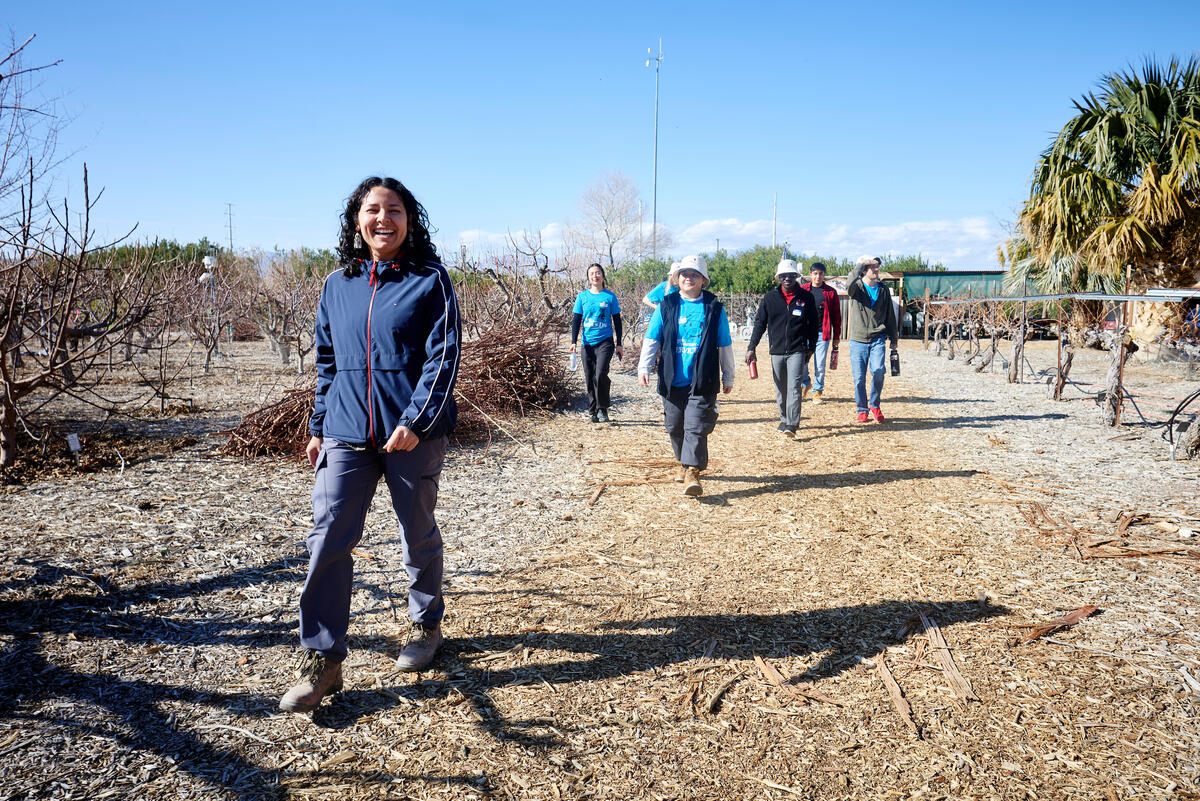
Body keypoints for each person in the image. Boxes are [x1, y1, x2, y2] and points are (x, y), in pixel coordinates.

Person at [280, 177, 461, 714]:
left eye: (395, 210)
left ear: (411, 220)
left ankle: (426, 625)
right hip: (345, 431)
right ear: (356, 220)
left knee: (416, 530)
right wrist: (317, 425)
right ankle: (322, 660)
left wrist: (416, 420)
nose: (384, 219)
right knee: (328, 537)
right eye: (373, 210)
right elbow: (329, 363)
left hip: (412, 435)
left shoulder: (431, 280)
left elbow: (444, 357)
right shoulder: (338, 283)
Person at [638, 254, 735, 497]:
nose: (688, 278)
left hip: (702, 379)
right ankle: (683, 461)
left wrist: (729, 375)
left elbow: (724, 343)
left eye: (694, 274)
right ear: (678, 278)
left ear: (703, 279)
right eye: (684, 274)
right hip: (673, 378)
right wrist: (643, 366)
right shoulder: (667, 305)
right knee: (674, 426)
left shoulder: (714, 308)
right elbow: (652, 338)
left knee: (696, 426)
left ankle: (693, 471)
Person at [746, 259, 818, 438]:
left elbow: (813, 324)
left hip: (797, 350)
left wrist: (811, 346)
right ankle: (784, 418)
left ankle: (792, 424)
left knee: (794, 386)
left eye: (791, 275)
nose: (788, 278)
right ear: (779, 278)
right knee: (780, 387)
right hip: (776, 350)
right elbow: (759, 324)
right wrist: (751, 347)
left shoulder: (806, 297)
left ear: (796, 277)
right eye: (784, 275)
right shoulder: (770, 298)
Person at [846, 255, 898, 423]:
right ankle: (862, 409)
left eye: (877, 267)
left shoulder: (883, 290)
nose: (876, 270)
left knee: (878, 371)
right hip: (858, 340)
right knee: (859, 378)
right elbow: (848, 285)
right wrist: (859, 262)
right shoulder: (857, 288)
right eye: (872, 267)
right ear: (864, 270)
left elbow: (890, 314)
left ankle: (874, 404)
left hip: (878, 338)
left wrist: (894, 338)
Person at [570, 263, 624, 423]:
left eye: (598, 272)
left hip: (605, 341)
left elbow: (617, 320)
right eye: (592, 273)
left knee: (600, 373)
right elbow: (576, 320)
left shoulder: (610, 296)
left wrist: (619, 343)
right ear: (588, 277)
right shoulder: (582, 297)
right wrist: (573, 341)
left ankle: (603, 409)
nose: (595, 275)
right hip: (587, 343)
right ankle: (592, 409)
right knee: (589, 376)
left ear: (603, 275)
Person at [799, 262, 842, 404]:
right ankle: (805, 383)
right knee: (802, 361)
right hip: (804, 333)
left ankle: (817, 391)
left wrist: (836, 337)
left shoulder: (830, 292)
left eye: (821, 274)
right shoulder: (803, 290)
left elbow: (836, 316)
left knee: (820, 364)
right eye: (815, 273)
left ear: (824, 275)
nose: (818, 276)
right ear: (810, 274)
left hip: (822, 333)